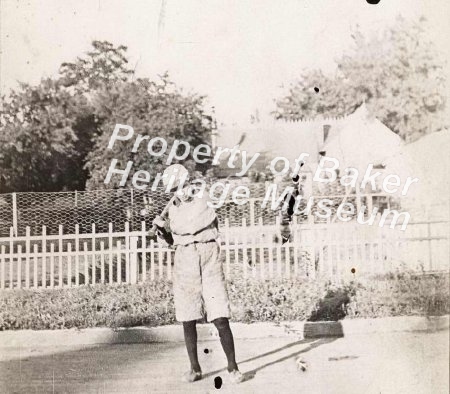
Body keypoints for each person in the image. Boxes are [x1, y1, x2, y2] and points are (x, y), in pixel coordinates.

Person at [152, 164, 243, 384]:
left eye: (183, 185)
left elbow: (195, 225)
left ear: (189, 182)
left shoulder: (203, 199)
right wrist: (162, 229)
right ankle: (195, 368)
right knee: (188, 316)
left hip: (208, 256)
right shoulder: (173, 207)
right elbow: (173, 241)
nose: (180, 190)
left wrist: (173, 223)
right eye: (175, 188)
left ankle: (233, 367)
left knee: (220, 315)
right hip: (185, 259)